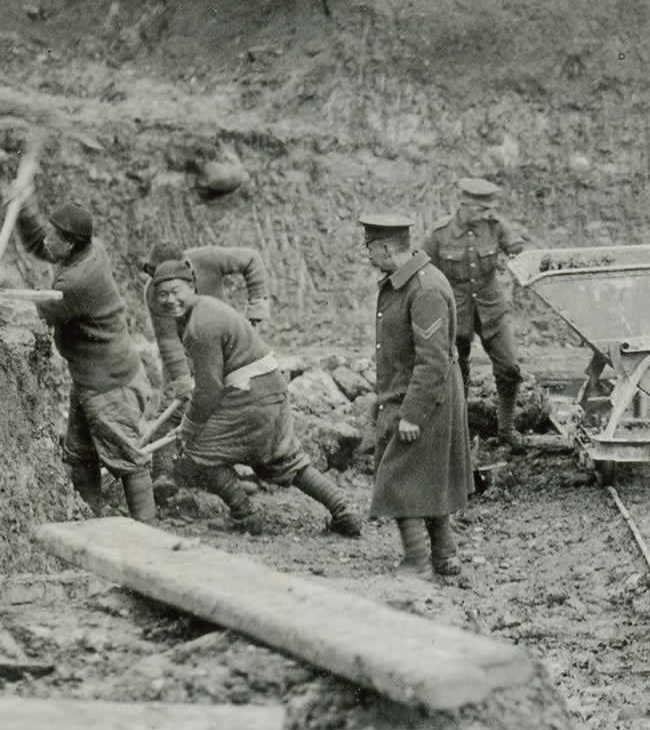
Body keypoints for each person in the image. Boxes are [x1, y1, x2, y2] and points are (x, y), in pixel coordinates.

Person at [151, 259, 362, 536]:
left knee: (199, 450)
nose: (170, 300)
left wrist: (189, 426)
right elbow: (215, 371)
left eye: (176, 290)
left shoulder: (200, 325)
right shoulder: (205, 309)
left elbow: (210, 389)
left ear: (191, 286)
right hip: (267, 389)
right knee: (284, 459)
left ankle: (245, 514)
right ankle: (343, 508)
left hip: (252, 395)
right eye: (162, 294)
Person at [0, 198, 156, 523]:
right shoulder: (88, 249)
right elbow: (38, 244)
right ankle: (93, 526)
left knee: (127, 458)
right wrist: (23, 208)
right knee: (80, 454)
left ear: (71, 243)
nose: (48, 240)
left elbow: (41, 311)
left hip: (110, 383)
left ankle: (151, 537)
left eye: (54, 237)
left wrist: (2, 281)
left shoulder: (77, 282)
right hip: (91, 377)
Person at [362, 206, 474, 580]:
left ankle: (416, 561)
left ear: (385, 248)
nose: (367, 255)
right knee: (427, 475)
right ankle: (445, 555)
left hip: (427, 397)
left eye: (369, 247)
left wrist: (412, 414)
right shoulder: (407, 280)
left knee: (399, 477)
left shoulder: (424, 289)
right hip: (413, 392)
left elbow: (432, 361)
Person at [427, 175, 529, 442]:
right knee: (456, 373)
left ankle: (506, 429)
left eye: (489, 210)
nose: (487, 214)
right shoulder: (440, 234)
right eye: (481, 209)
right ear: (463, 205)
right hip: (455, 312)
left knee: (509, 368)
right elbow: (421, 271)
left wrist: (518, 260)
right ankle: (458, 431)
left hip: (492, 308)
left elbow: (518, 250)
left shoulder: (494, 227)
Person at [147, 242, 273, 404]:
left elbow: (251, 259)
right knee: (177, 404)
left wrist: (257, 308)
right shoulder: (154, 293)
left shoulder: (207, 259)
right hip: (185, 347)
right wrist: (183, 379)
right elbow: (169, 341)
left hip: (222, 337)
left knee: (242, 395)